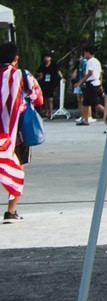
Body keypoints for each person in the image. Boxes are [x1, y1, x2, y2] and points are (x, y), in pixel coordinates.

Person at [0, 43, 42, 222]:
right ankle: (11, 211)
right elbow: (38, 98)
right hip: (16, 134)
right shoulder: (23, 75)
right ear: (16, 59)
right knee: (17, 166)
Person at [76, 44, 104, 125]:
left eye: (85, 53)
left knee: (95, 103)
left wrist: (80, 81)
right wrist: (101, 84)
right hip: (94, 82)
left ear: (88, 52)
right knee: (86, 102)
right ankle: (85, 120)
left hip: (92, 83)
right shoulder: (96, 61)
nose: (84, 55)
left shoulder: (90, 61)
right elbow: (100, 73)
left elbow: (90, 73)